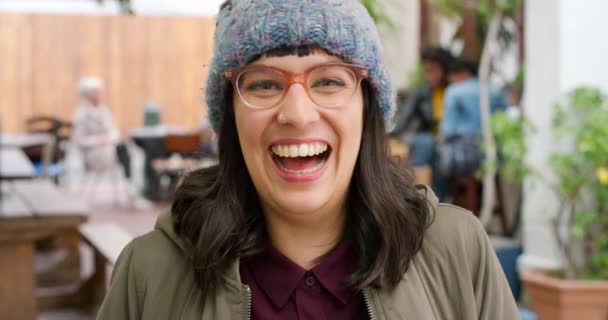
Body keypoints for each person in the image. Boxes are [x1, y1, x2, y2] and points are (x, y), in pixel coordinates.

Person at [97, 1, 519, 319]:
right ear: (230, 116)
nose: (298, 115)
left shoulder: (456, 250)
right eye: (263, 84)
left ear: (367, 108)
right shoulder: (149, 273)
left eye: (330, 81)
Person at [389, 47, 453, 199]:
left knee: (435, 151)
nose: (429, 75)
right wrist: (388, 135)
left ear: (445, 70)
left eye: (434, 70)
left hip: (449, 143)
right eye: (427, 70)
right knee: (426, 144)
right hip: (429, 142)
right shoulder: (421, 93)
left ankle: (431, 199)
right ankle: (423, 196)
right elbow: (404, 120)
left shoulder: (453, 92)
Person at [438, 58, 508, 176]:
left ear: (464, 73)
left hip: (464, 157)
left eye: (452, 77)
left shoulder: (453, 91)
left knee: (436, 156)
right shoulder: (494, 90)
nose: (451, 81)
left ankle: (441, 193)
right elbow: (504, 118)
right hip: (495, 155)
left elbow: (448, 129)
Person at [71, 76, 120, 173]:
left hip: (109, 148)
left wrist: (110, 138)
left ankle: (129, 179)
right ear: (87, 94)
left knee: (122, 149)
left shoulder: (104, 110)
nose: (99, 94)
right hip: (93, 153)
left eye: (99, 91)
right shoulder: (81, 114)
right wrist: (99, 140)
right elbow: (79, 140)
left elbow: (113, 130)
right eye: (96, 92)